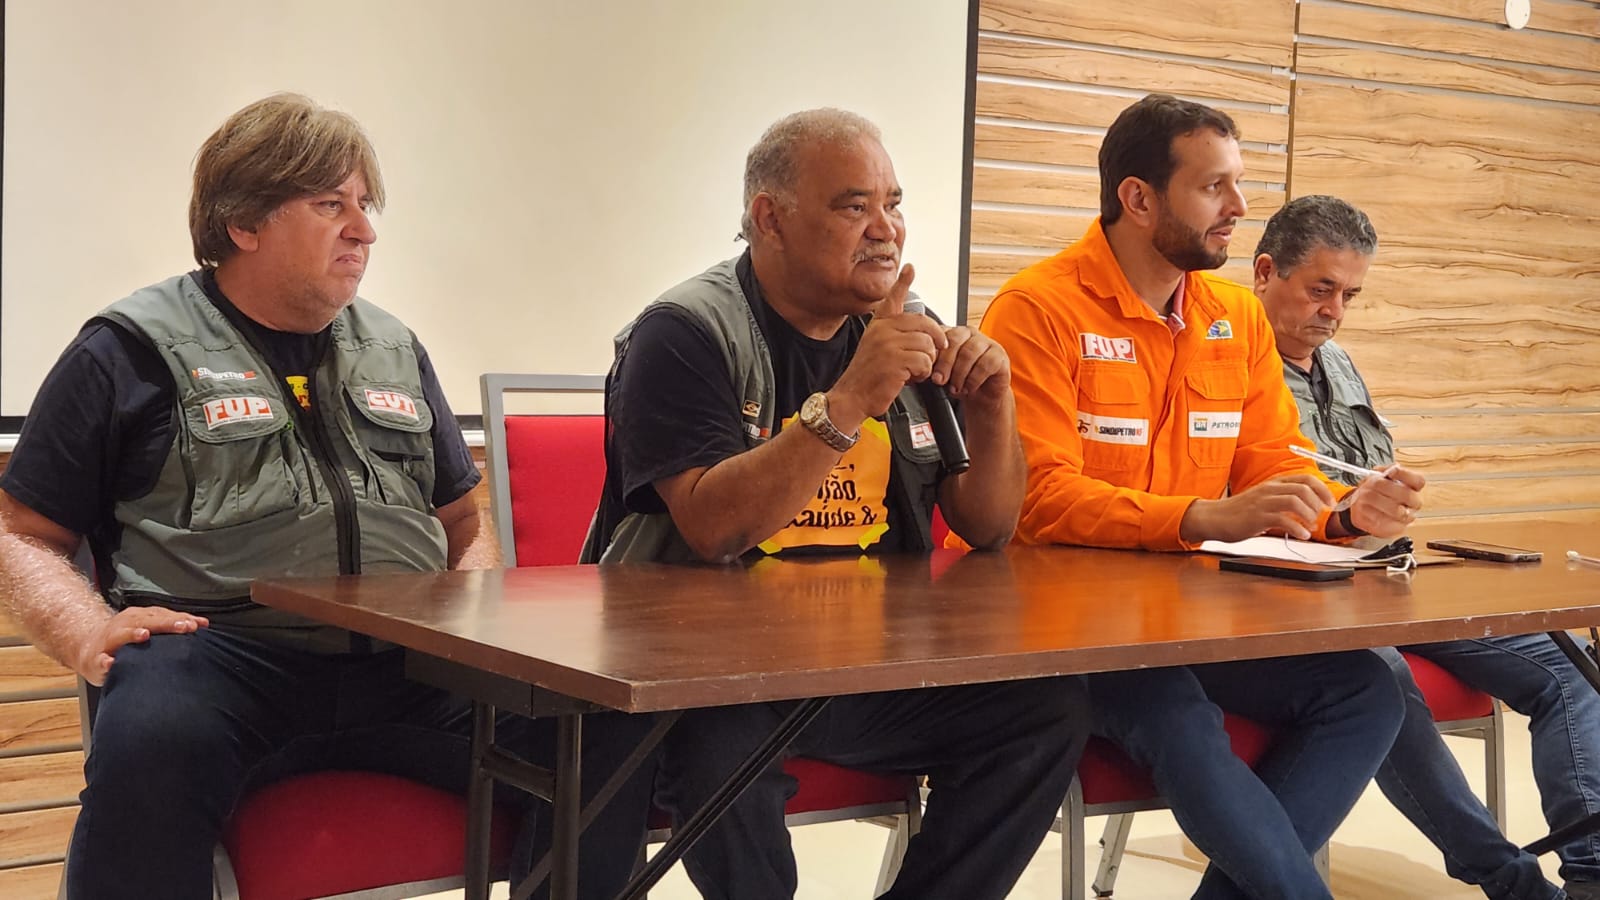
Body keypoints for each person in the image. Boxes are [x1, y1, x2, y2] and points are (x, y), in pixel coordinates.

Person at [0, 94, 650, 900]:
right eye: (330, 205)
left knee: (603, 737)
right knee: (151, 737)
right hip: (222, 656)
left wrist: (474, 612)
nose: (364, 230)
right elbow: (23, 532)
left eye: (365, 205)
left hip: (407, 660)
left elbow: (460, 520)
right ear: (244, 222)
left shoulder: (394, 347)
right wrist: (86, 631)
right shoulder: (126, 351)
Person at [586, 108, 1089, 900]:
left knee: (1046, 710)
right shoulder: (684, 333)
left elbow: (989, 527)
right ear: (769, 219)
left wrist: (996, 405)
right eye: (855, 206)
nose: (885, 230)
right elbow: (714, 528)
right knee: (716, 744)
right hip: (713, 674)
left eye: (894, 204)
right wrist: (849, 399)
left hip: (867, 662)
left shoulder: (907, 329)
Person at [980, 93, 1415, 900]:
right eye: (1215, 187)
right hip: (1066, 628)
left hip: (1191, 619)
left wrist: (1345, 513)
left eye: (1238, 184)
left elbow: (1272, 467)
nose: (1240, 208)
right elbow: (1037, 500)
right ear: (1139, 198)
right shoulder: (1036, 309)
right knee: (1178, 716)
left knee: (1369, 689)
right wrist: (1200, 517)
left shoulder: (1236, 316)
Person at [1256, 193, 1600, 900]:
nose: (1335, 311)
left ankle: (1592, 876)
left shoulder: (1337, 360)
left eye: (1350, 295)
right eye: (1321, 290)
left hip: (1387, 577)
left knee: (1568, 664)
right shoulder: (1223, 361)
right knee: (1382, 686)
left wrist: (1388, 496)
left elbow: (1370, 475)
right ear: (1265, 273)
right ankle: (1512, 884)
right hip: (1291, 597)